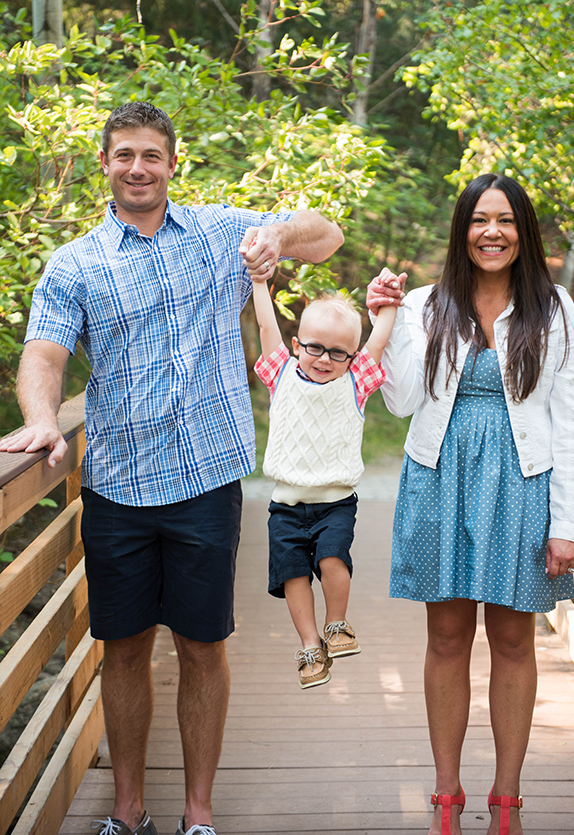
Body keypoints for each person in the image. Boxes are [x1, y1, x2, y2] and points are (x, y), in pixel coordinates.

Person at [0, 102, 343, 835]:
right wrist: (38, 418)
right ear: (105, 163)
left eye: (151, 155)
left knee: (201, 644)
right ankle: (129, 814)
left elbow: (327, 233)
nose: (138, 168)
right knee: (121, 650)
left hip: (205, 482)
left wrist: (277, 237)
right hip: (118, 484)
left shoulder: (224, 234)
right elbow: (44, 353)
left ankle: (198, 814)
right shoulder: (75, 264)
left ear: (172, 164)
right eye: (124, 154)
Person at [366, 174, 574, 835]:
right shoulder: (422, 304)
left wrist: (569, 525)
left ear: (524, 232)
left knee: (516, 639)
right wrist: (384, 319)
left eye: (506, 220)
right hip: (441, 478)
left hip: (523, 484)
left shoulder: (555, 311)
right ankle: (445, 796)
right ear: (461, 229)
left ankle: (507, 798)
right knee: (446, 636)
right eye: (479, 219)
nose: (492, 231)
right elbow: (402, 400)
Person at [251, 276, 397, 688]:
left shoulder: (355, 383)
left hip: (335, 502)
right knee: (293, 573)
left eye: (338, 352)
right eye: (314, 347)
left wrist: (388, 304)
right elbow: (266, 327)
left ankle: (336, 625)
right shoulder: (281, 373)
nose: (324, 358)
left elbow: (379, 342)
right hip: (286, 504)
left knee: (332, 559)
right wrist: (260, 283)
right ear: (297, 345)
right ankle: (310, 644)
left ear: (352, 357)